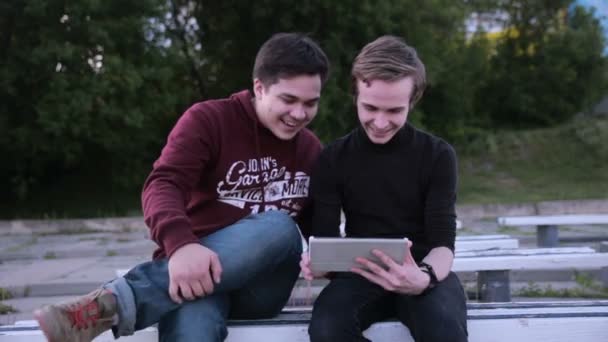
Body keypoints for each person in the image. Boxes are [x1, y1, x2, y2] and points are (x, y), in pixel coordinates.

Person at [34, 32, 329, 342]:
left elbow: (318, 231)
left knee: (279, 228)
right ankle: (107, 309)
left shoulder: (310, 150)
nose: (299, 114)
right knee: (192, 324)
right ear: (259, 87)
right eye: (289, 100)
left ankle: (113, 303)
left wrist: (325, 262)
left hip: (260, 291)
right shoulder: (210, 120)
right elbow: (164, 184)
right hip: (189, 276)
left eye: (310, 104)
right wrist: (182, 245)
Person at [300, 35, 468, 342]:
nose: (380, 122)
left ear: (412, 101)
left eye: (394, 111)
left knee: (444, 331)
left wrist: (424, 278)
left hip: (423, 270)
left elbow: (443, 244)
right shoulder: (333, 158)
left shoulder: (438, 155)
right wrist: (318, 264)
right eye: (370, 107)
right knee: (327, 329)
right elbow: (324, 239)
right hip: (360, 275)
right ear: (355, 95)